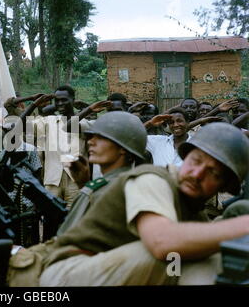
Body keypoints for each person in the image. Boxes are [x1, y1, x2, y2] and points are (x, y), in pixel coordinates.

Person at [36, 122, 249, 286]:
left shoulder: (194, 212)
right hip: (69, 273)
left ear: (224, 187)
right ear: (184, 157)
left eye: (213, 172)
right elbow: (162, 243)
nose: (197, 174)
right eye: (195, 161)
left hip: (111, 272)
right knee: (174, 253)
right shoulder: (152, 179)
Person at [57, 111, 147, 235]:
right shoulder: (106, 183)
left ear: (122, 148)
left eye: (100, 138)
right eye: (92, 137)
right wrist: (83, 184)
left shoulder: (124, 187)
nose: (90, 142)